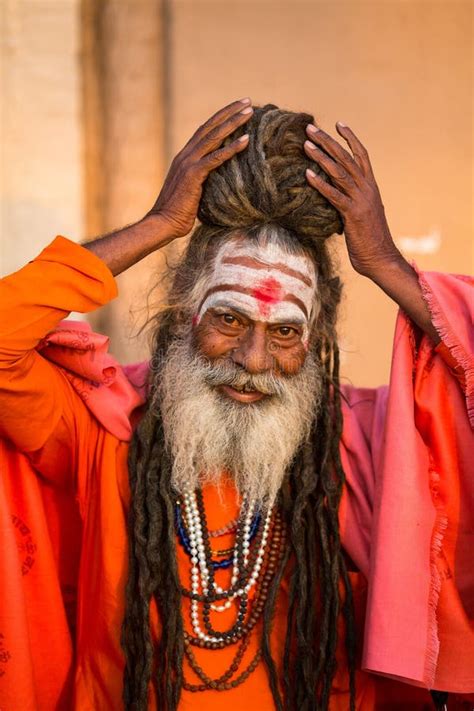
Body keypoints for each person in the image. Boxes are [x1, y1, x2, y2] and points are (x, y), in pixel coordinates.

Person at [0, 99, 472, 711]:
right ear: (183, 314)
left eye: (284, 332)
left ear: (317, 338)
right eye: (228, 318)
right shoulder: (106, 428)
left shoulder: (363, 448)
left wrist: (383, 263)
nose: (252, 359)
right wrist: (161, 223)